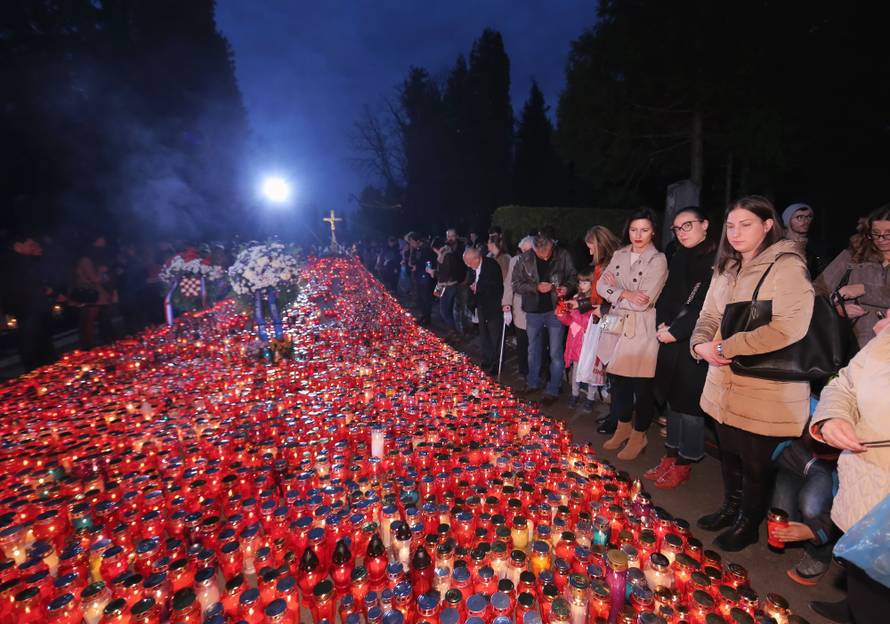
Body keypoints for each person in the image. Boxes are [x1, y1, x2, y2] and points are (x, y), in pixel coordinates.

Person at [690, 195, 815, 551]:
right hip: (722, 380)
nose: (736, 233)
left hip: (766, 385)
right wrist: (700, 345)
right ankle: (730, 508)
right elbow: (708, 316)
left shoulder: (786, 265)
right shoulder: (726, 268)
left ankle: (749, 523)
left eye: (746, 224)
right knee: (728, 452)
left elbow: (789, 327)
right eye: (730, 226)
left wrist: (726, 348)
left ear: (768, 225)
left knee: (756, 461)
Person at [808, 314, 890, 623]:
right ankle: (851, 607)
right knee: (863, 576)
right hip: (863, 484)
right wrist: (832, 418)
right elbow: (845, 383)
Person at [645, 207, 717, 488]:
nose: (682, 232)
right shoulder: (679, 256)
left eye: (688, 225)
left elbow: (705, 306)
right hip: (669, 335)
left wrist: (677, 331)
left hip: (694, 340)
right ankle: (671, 454)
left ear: (705, 224)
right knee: (672, 399)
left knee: (689, 404)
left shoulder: (714, 260)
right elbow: (668, 294)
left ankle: (686, 460)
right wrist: (661, 324)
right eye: (677, 228)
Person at [596, 208, 668, 460]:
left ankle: (639, 435)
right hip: (614, 325)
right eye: (634, 229)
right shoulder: (619, 253)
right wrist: (625, 293)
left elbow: (643, 303)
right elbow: (601, 286)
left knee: (642, 386)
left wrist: (617, 292)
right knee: (619, 383)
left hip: (640, 330)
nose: (638, 235)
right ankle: (622, 427)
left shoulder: (658, 260)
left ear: (653, 232)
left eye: (644, 230)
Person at [511, 234, 578, 405]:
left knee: (555, 352)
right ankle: (533, 382)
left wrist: (566, 288)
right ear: (534, 249)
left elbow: (573, 277)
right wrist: (535, 287)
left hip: (556, 310)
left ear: (552, 245)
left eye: (548, 252)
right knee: (533, 349)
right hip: (533, 311)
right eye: (541, 254)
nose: (546, 256)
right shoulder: (524, 259)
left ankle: (552, 389)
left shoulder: (562, 255)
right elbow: (516, 284)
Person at [814, 203, 890, 350]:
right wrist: (837, 309)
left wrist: (864, 289)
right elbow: (817, 290)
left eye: (888, 233)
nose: (881, 239)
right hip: (853, 345)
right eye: (875, 233)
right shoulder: (853, 256)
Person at [769, 430, 838, 587]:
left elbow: (850, 504)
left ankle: (819, 554)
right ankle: (802, 508)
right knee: (781, 516)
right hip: (795, 461)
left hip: (833, 469)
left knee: (812, 506)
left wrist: (815, 532)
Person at [1, 234, 56, 371]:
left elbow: (33, 281)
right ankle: (35, 371)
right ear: (18, 247)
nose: (34, 247)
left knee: (41, 338)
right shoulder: (12, 263)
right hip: (26, 308)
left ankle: (47, 367)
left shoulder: (26, 261)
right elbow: (19, 286)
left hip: (34, 306)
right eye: (30, 244)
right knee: (31, 340)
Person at [583, 225, 622, 413]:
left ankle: (617, 415)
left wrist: (604, 309)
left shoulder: (615, 263)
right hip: (604, 318)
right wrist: (582, 305)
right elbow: (596, 294)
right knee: (606, 363)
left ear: (600, 244)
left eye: (591, 247)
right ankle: (614, 414)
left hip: (614, 320)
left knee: (612, 364)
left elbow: (621, 295)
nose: (590, 252)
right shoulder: (602, 264)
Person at [558, 267, 601, 409]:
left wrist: (574, 315)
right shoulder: (576, 298)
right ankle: (574, 394)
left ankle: (590, 397)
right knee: (576, 369)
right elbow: (569, 320)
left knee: (590, 370)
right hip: (575, 339)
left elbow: (591, 321)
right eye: (580, 282)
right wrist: (562, 314)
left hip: (588, 340)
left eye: (585, 282)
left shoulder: (595, 301)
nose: (581, 285)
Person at [463, 246, 505, 375]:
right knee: (484, 334)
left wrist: (478, 287)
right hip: (480, 305)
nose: (469, 266)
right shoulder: (473, 267)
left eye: (470, 263)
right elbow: (470, 281)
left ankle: (496, 363)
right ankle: (487, 359)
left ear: (477, 258)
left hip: (493, 306)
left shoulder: (491, 265)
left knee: (495, 336)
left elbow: (496, 287)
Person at [71, 235, 116, 350]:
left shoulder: (87, 260)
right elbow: (94, 279)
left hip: (91, 292)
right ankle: (88, 345)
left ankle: (91, 343)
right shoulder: (86, 260)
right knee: (89, 320)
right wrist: (101, 272)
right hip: (90, 294)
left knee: (90, 319)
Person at [502, 236, 534, 379]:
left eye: (529, 250)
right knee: (522, 341)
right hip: (519, 307)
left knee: (536, 342)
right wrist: (506, 304)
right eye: (523, 250)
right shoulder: (515, 261)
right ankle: (523, 370)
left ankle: (537, 371)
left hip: (537, 307)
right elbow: (508, 284)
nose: (525, 253)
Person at [430, 237, 464, 341]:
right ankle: (452, 332)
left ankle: (454, 333)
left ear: (438, 248)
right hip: (445, 284)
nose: (435, 253)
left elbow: (445, 274)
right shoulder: (447, 254)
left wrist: (434, 272)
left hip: (448, 285)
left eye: (435, 250)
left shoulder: (446, 255)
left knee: (444, 311)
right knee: (446, 310)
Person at [782, 202, 827, 278]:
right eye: (799, 217)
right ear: (788, 220)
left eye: (809, 217)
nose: (805, 221)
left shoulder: (815, 248)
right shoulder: (778, 246)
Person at [407, 232, 436, 326]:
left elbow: (428, 263)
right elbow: (414, 260)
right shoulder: (416, 249)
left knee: (426, 298)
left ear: (417, 241)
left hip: (425, 277)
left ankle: (427, 318)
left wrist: (417, 267)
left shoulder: (426, 249)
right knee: (420, 297)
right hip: (418, 276)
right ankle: (423, 316)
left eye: (411, 241)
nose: (410, 243)